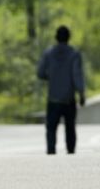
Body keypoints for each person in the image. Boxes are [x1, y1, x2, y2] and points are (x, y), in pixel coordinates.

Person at [37, 25, 86, 155]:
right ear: (68, 37)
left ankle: (51, 151)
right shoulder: (74, 54)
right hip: (68, 98)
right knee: (70, 128)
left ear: (56, 37)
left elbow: (40, 73)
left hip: (53, 98)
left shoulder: (49, 53)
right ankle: (70, 152)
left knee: (51, 128)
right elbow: (77, 75)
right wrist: (81, 93)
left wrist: (52, 77)